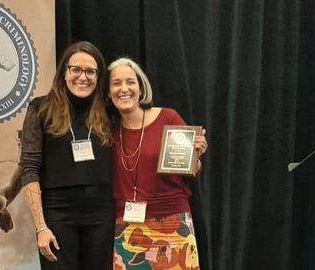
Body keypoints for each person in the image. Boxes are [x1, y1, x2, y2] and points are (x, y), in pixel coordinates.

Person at [20, 41, 114, 270]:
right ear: (64, 72)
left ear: (99, 76)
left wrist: (190, 145)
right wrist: (41, 227)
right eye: (76, 69)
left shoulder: (110, 111)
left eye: (90, 71)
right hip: (58, 214)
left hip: (102, 214)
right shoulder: (40, 108)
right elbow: (29, 167)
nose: (83, 77)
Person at [107, 58, 208, 270]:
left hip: (173, 223)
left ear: (141, 88)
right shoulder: (106, 129)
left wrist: (196, 157)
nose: (123, 89)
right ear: (108, 92)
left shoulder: (168, 118)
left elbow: (192, 172)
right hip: (128, 229)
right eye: (116, 83)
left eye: (130, 82)